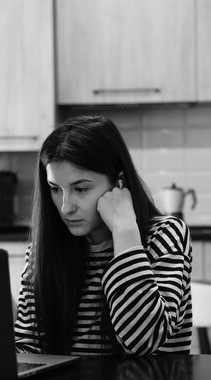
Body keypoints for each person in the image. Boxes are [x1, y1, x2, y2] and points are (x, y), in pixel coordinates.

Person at [14, 115, 193, 356]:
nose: (66, 207)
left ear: (118, 184)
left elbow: (143, 340)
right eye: (55, 189)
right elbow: (29, 347)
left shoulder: (165, 235)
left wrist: (125, 232)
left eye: (81, 189)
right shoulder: (43, 250)